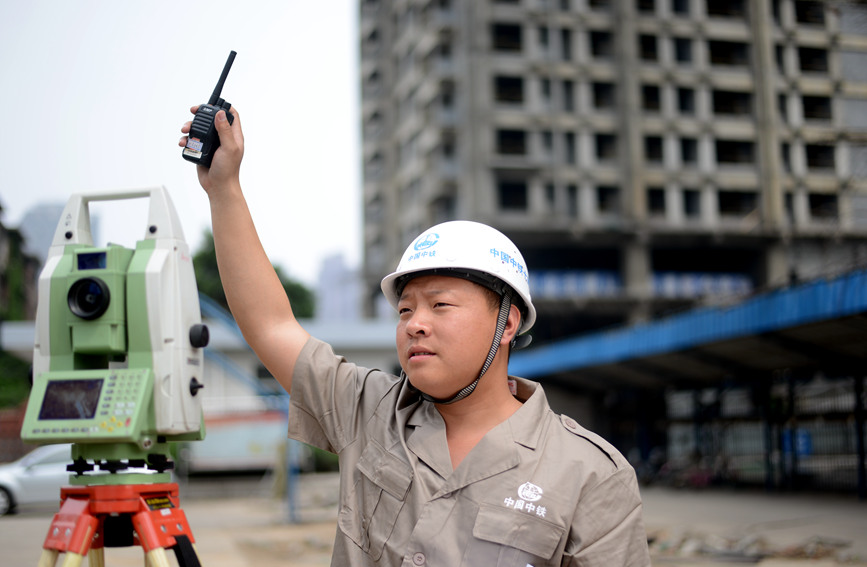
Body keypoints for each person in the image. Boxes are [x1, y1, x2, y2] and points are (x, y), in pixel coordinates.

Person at [180, 106, 651, 567]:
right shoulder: (366, 411)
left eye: (440, 305)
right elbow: (270, 325)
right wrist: (223, 188)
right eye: (406, 309)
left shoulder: (590, 474)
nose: (414, 323)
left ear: (507, 324)